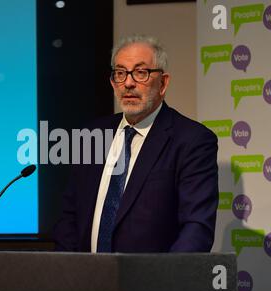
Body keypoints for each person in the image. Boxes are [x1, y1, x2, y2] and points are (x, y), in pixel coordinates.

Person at [53, 34, 218, 253]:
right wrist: (67, 275)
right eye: (120, 73)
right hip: (86, 281)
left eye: (141, 72)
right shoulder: (91, 135)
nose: (128, 83)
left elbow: (196, 228)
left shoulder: (192, 140)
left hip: (154, 283)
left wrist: (167, 282)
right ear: (113, 82)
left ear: (163, 82)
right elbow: (70, 217)